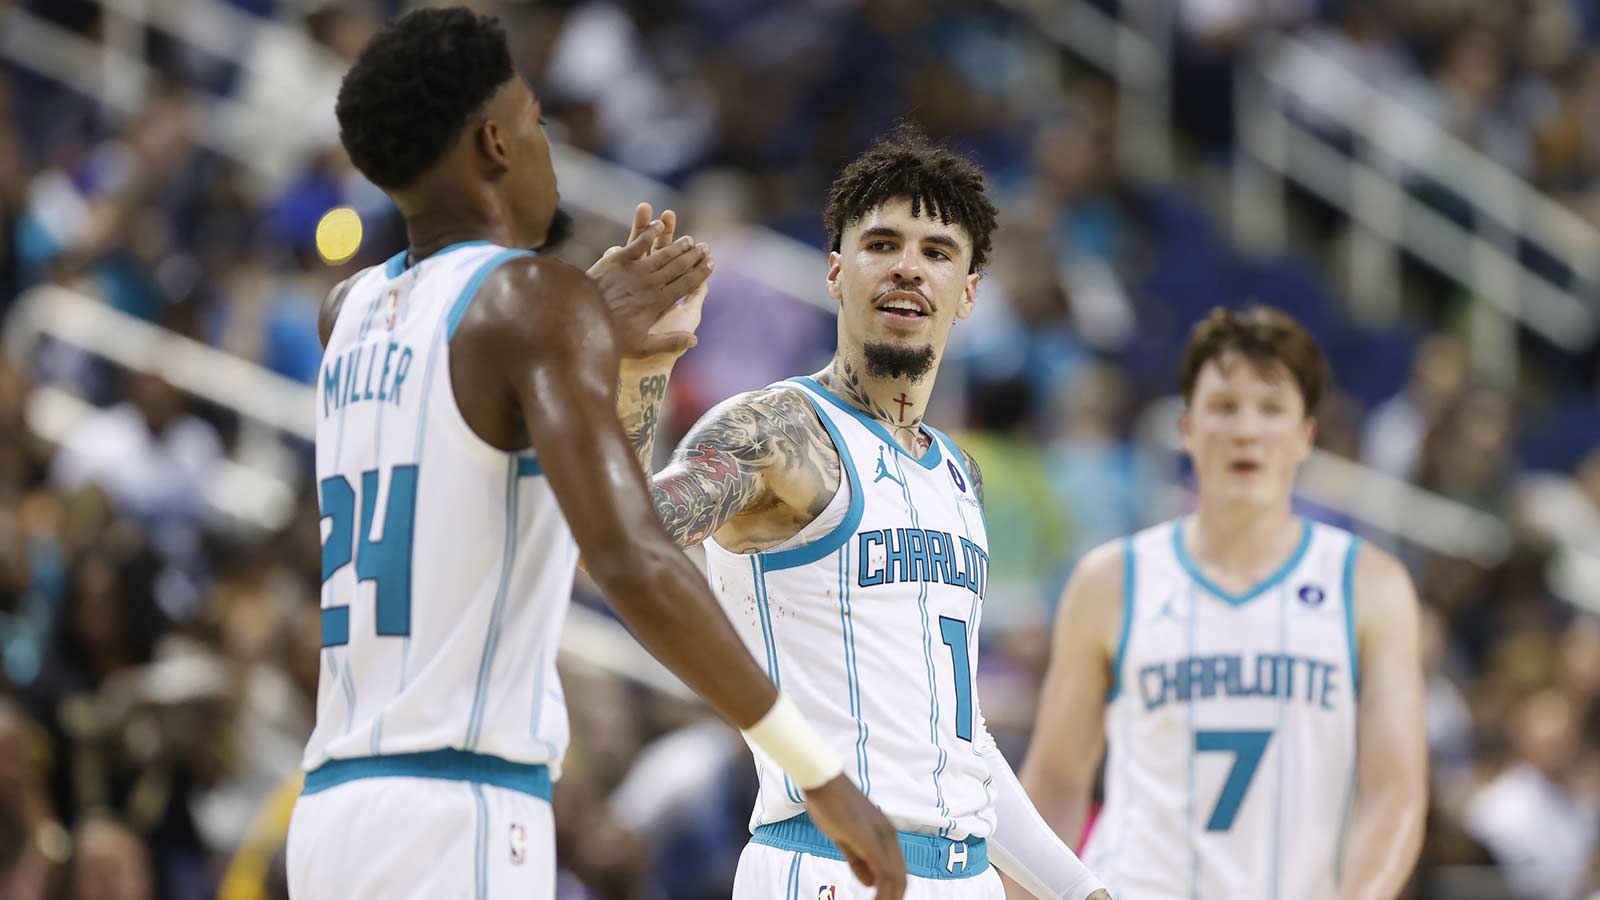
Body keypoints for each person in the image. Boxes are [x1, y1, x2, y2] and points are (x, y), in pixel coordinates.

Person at [285, 9, 906, 900]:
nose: (551, 148)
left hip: (332, 810)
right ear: (496, 142)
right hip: (458, 806)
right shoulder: (532, 304)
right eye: (537, 122)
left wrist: (597, 339)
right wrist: (819, 773)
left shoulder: (346, 312)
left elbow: (493, 440)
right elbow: (631, 558)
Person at [613, 124, 1109, 900]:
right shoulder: (777, 432)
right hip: (825, 863)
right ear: (836, 272)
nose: (908, 266)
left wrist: (1082, 891)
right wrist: (639, 372)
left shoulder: (959, 475)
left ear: (969, 292)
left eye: (937, 251)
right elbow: (617, 538)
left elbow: (963, 744)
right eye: (882, 244)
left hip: (965, 876)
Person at [1016, 307, 1427, 899]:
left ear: (1306, 435)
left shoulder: (1369, 584)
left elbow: (1395, 791)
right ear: (1186, 427)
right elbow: (1057, 778)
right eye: (1224, 406)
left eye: (1271, 409)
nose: (1246, 430)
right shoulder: (1111, 580)